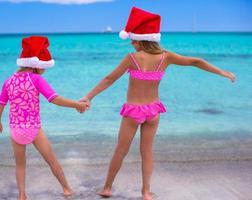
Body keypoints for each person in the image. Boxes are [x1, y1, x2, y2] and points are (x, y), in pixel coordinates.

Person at [80, 7, 236, 200]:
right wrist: (222, 72)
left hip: (133, 112)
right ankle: (146, 192)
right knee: (147, 152)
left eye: (133, 39)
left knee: (121, 151)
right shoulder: (166, 57)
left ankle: (107, 188)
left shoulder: (132, 59)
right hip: (154, 111)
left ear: (140, 39)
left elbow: (109, 79)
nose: (131, 42)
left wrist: (89, 96)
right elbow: (196, 61)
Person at [0, 36, 88, 200]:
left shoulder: (8, 81)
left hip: (15, 128)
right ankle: (66, 189)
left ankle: (22, 195)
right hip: (34, 128)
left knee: (20, 164)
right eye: (44, 67)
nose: (45, 70)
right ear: (37, 65)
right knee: (51, 160)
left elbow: (1, 103)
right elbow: (54, 98)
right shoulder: (36, 79)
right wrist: (77, 105)